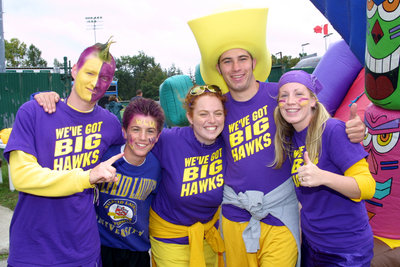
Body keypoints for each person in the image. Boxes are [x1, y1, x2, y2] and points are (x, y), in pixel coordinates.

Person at [188, 8, 366, 267]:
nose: (236, 68)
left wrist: (356, 130)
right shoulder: (219, 108)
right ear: (218, 67)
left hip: (279, 213)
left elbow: (318, 119)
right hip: (235, 213)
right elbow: (195, 139)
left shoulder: (280, 96)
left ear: (254, 62)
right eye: (227, 61)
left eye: (242, 59)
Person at [3, 39, 126, 266]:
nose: (96, 83)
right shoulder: (34, 112)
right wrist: (85, 177)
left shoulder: (110, 124)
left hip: (84, 250)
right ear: (74, 70)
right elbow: (22, 176)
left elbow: (132, 155)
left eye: (105, 78)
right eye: (89, 73)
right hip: (33, 250)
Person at [272, 70, 375, 266]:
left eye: (298, 93)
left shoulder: (333, 130)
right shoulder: (291, 139)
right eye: (284, 96)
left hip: (346, 251)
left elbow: (368, 186)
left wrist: (323, 177)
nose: (290, 101)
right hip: (313, 247)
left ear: (312, 100)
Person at [149, 84, 226, 267]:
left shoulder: (227, 143)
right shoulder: (169, 140)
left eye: (218, 113)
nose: (212, 120)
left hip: (207, 235)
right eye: (203, 114)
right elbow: (134, 145)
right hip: (170, 236)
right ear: (190, 117)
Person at [97, 97, 165, 267]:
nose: (142, 137)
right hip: (102, 247)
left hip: (137, 250)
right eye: (136, 129)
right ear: (125, 132)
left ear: (157, 136)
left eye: (150, 131)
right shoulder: (104, 158)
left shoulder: (157, 167)